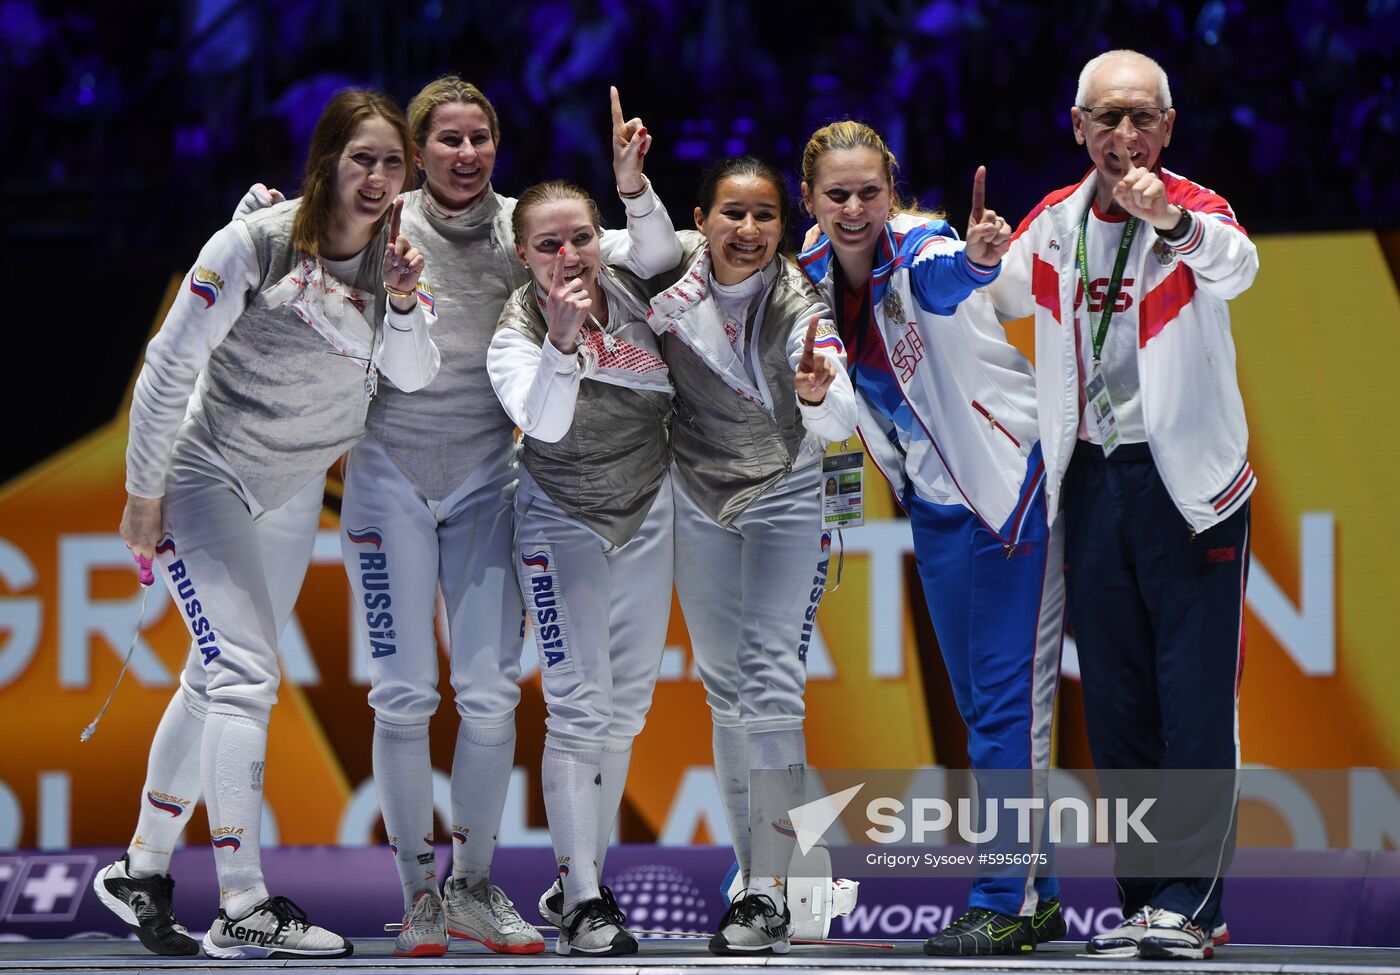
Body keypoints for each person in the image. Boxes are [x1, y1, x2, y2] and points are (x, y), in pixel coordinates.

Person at [94, 88, 439, 960]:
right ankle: (242, 898)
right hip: (204, 472)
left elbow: (410, 373)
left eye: (393, 162)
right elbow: (169, 366)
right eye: (362, 158)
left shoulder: (402, 255)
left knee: (218, 678)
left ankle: (143, 866)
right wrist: (145, 492)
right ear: (326, 161)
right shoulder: (253, 241)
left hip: (287, 489)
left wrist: (402, 301)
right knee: (244, 671)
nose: (378, 176)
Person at [987, 49, 1259, 961]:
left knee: (1192, 700)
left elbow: (1237, 267)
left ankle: (1199, 902)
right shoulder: (1056, 224)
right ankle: (1147, 899)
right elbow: (997, 290)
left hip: (1189, 491)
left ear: (1168, 128)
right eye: (1106, 118)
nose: (1125, 135)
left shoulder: (1197, 206)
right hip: (1092, 480)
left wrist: (1169, 222)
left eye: (1142, 117)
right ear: (1078, 127)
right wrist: (980, 258)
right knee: (1118, 706)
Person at [797, 120, 1067, 956]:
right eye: (836, 194)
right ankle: (1041, 889)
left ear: (893, 190)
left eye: (869, 193)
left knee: (1005, 709)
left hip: (1002, 489)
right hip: (937, 502)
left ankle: (1004, 896)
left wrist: (982, 261)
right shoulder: (806, 270)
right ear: (810, 197)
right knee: (984, 708)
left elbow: (948, 282)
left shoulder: (922, 244)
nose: (854, 210)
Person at [333, 75, 538, 960]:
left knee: (491, 692)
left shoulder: (523, 226)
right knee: (405, 691)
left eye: (479, 137)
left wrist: (648, 197)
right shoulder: (379, 221)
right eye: (448, 140)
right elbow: (283, 238)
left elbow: (632, 250)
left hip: (490, 475)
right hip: (388, 479)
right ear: (418, 153)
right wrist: (252, 203)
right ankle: (418, 892)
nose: (466, 154)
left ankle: (473, 885)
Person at [646, 156, 856, 955]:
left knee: (770, 680)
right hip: (697, 495)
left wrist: (812, 394)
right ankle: (762, 873)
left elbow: (837, 414)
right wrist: (633, 190)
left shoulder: (802, 301)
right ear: (700, 221)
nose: (749, 230)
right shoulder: (665, 273)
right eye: (732, 213)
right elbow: (574, 240)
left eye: (766, 215)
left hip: (785, 494)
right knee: (724, 687)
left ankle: (771, 886)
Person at [488, 104, 682, 956]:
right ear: (522, 255)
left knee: (628, 708)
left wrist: (634, 186)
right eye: (547, 246)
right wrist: (564, 345)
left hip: (647, 507)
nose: (567, 257)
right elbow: (548, 427)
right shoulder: (514, 332)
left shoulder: (632, 278)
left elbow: (667, 251)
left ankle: (578, 885)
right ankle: (588, 892)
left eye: (579, 239)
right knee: (577, 706)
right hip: (560, 517)